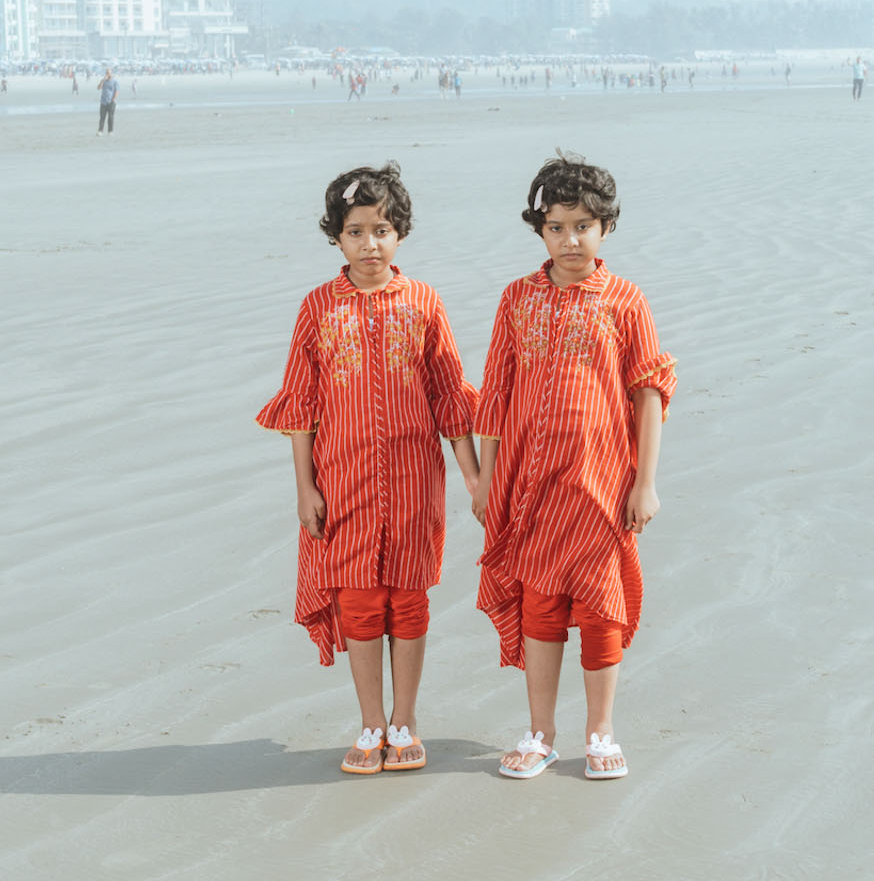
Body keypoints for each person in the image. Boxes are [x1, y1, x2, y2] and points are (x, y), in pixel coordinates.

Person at [257, 163, 479, 774]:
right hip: (341, 481)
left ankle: (405, 724)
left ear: (400, 233)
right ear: (337, 237)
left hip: (414, 482)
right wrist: (305, 489)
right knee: (358, 604)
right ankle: (370, 724)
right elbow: (300, 406)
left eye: (382, 230)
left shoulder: (424, 302)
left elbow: (450, 399)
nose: (369, 244)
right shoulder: (317, 308)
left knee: (406, 601)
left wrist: (473, 476)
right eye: (356, 231)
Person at [474, 153, 675, 782]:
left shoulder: (625, 300)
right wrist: (485, 478)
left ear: (606, 228)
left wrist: (644, 482)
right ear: (540, 229)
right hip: (530, 485)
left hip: (601, 485)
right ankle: (540, 733)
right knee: (539, 608)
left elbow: (649, 391)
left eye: (583, 225)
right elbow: (496, 395)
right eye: (556, 226)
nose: (570, 239)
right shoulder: (517, 299)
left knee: (599, 609)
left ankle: (600, 731)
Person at [97, 67, 118, 134]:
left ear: (111, 73)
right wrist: (102, 80)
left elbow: (116, 92)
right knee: (102, 117)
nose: (107, 74)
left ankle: (110, 131)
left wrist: (112, 100)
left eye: (108, 73)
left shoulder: (115, 82)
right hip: (103, 102)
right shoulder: (103, 81)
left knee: (110, 117)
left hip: (111, 102)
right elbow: (98, 88)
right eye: (106, 73)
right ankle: (100, 131)